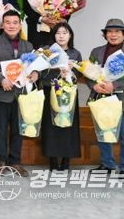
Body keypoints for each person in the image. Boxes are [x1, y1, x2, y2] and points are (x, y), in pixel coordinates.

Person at [87, 19, 124, 183]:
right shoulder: (96, 52)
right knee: (103, 134)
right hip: (101, 99)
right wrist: (94, 85)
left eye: (117, 31)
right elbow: (88, 73)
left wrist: (115, 85)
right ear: (105, 34)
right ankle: (107, 164)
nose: (113, 35)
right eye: (110, 31)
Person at [0, 10, 36, 177]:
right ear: (2, 25)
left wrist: (36, 74)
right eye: (8, 22)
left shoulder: (28, 45)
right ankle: (0, 160)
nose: (11, 26)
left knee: (18, 129)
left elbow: (33, 67)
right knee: (1, 128)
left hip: (21, 94)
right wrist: (1, 80)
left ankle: (15, 161)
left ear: (20, 25)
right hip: (1, 92)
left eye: (15, 22)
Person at [40, 23, 81, 171]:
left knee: (68, 126)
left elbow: (79, 75)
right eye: (58, 33)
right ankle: (52, 158)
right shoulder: (47, 52)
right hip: (50, 91)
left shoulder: (75, 53)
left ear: (70, 35)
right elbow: (41, 73)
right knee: (50, 125)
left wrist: (70, 73)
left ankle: (66, 159)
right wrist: (57, 71)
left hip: (68, 94)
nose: (61, 36)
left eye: (65, 33)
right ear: (53, 35)